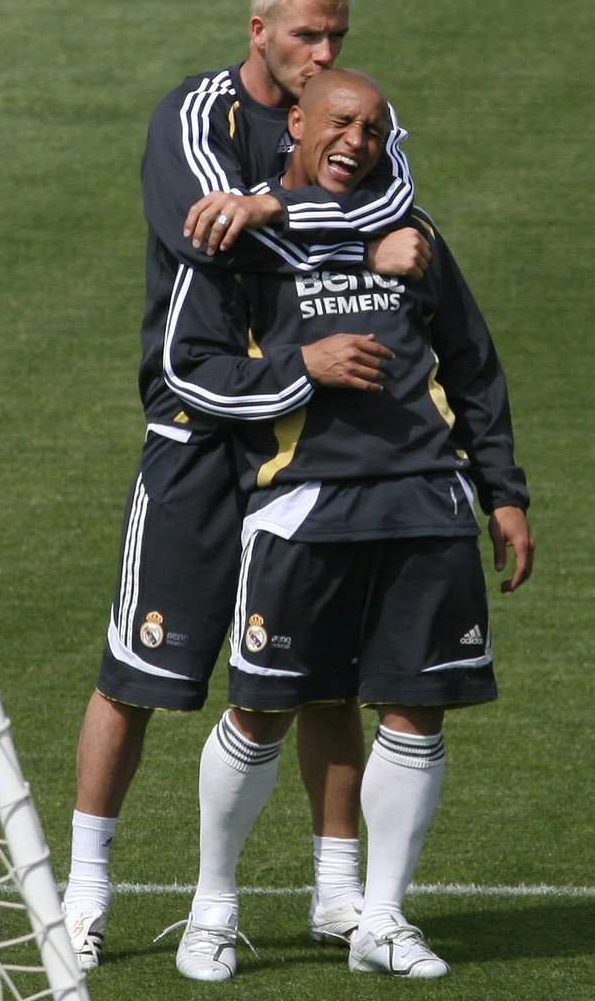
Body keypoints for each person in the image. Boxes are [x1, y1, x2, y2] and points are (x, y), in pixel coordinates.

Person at [62, 0, 430, 969]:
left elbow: (403, 204)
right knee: (138, 672)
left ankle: (338, 897)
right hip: (199, 432)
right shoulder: (196, 115)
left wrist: (274, 202)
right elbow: (204, 236)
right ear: (259, 30)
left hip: (311, 444)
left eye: (337, 35)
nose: (324, 53)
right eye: (307, 34)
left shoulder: (358, 113)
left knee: (319, 674)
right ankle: (85, 889)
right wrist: (342, 233)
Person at [161, 68, 534, 981]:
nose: (355, 142)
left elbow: (473, 367)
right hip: (302, 508)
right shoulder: (234, 238)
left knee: (416, 712)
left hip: (425, 504)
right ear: (295, 122)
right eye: (338, 121)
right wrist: (305, 364)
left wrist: (504, 493)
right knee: (261, 712)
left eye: (371, 129)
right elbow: (185, 366)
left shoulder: (412, 234)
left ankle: (382, 920)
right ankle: (212, 909)